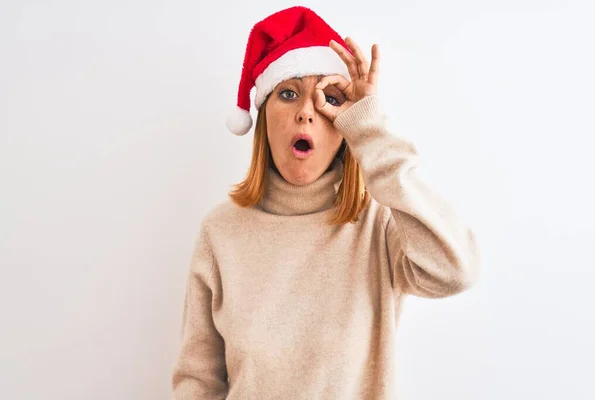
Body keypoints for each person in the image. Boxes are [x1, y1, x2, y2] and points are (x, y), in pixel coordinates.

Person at [171, 5, 481, 399]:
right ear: (264, 116)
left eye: (327, 99)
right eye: (287, 94)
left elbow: (455, 271)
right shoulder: (221, 231)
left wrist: (368, 129)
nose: (305, 113)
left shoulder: (379, 225)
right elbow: (197, 381)